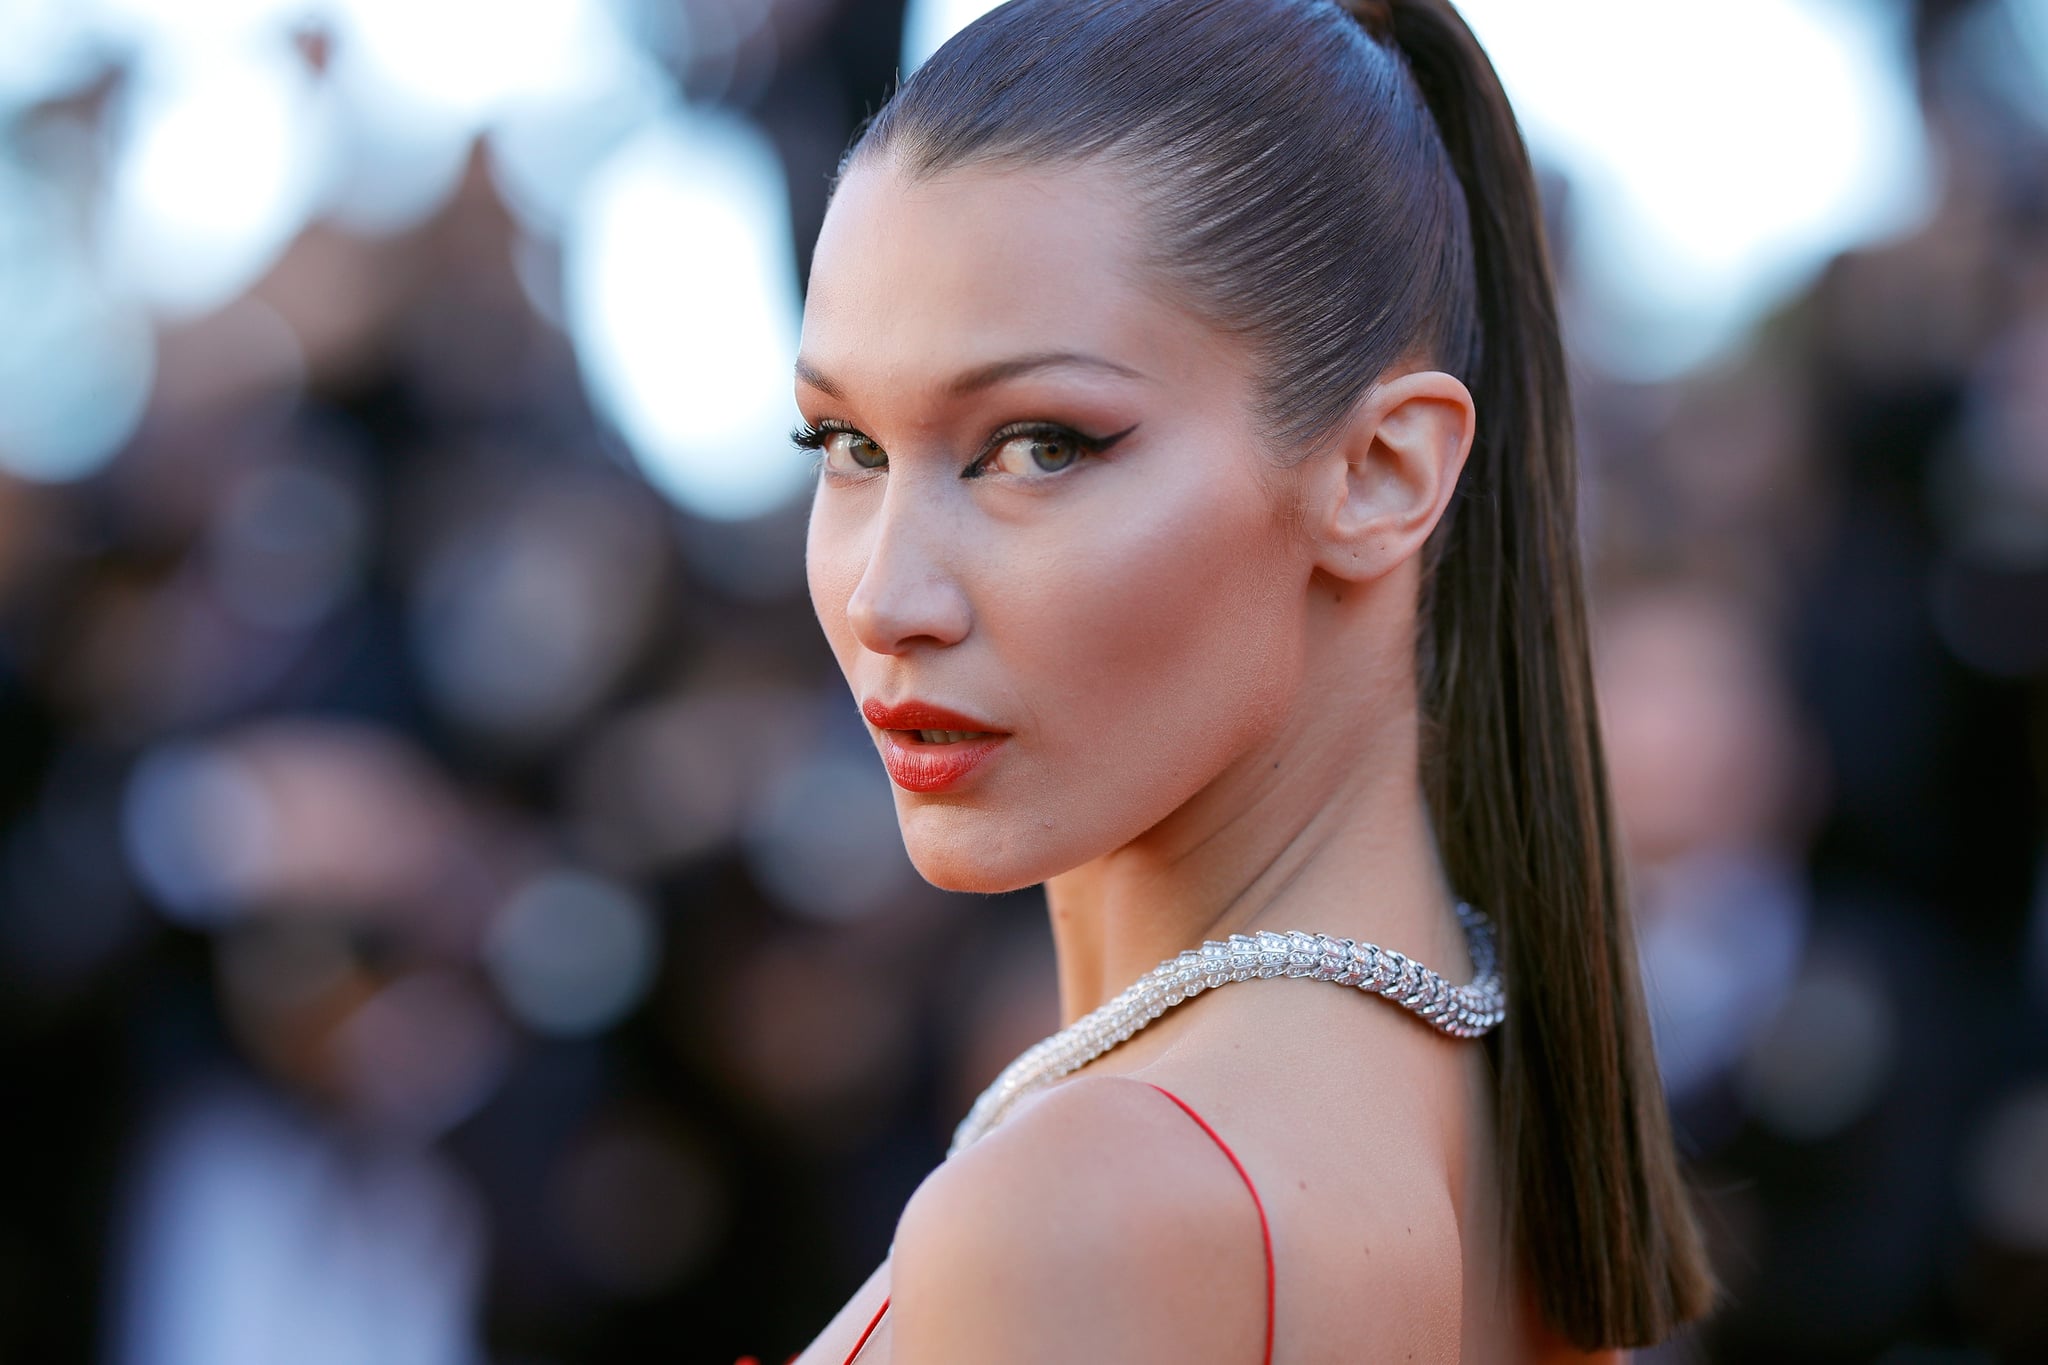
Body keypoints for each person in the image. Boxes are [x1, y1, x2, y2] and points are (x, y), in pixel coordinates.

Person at [785, 0, 1717, 1359]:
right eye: (846, 444)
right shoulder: (1475, 1097)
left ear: (1381, 473)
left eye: (1039, 444)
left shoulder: (1100, 1208)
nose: (886, 595)